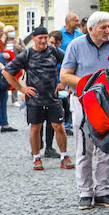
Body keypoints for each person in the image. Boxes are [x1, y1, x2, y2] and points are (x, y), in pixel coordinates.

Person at [60, 12, 109, 209]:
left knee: (106, 149)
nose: (107, 31)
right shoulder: (76, 45)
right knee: (83, 149)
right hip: (83, 102)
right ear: (91, 28)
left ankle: (102, 191)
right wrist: (90, 85)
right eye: (103, 27)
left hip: (108, 105)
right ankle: (85, 191)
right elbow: (65, 76)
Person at [3, 27, 72, 171]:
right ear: (33, 38)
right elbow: (7, 72)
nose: (43, 41)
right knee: (35, 128)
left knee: (58, 127)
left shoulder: (54, 51)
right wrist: (22, 89)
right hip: (34, 98)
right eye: (40, 38)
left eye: (45, 37)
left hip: (53, 97)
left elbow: (70, 63)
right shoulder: (27, 54)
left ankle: (64, 156)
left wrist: (64, 82)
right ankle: (36, 158)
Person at [41, 30, 67, 159]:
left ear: (59, 43)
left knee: (53, 121)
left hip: (55, 90)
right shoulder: (40, 52)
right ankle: (37, 144)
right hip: (40, 90)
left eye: (54, 43)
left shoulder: (60, 54)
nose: (51, 45)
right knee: (38, 121)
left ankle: (49, 147)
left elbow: (68, 68)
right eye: (50, 42)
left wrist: (63, 83)